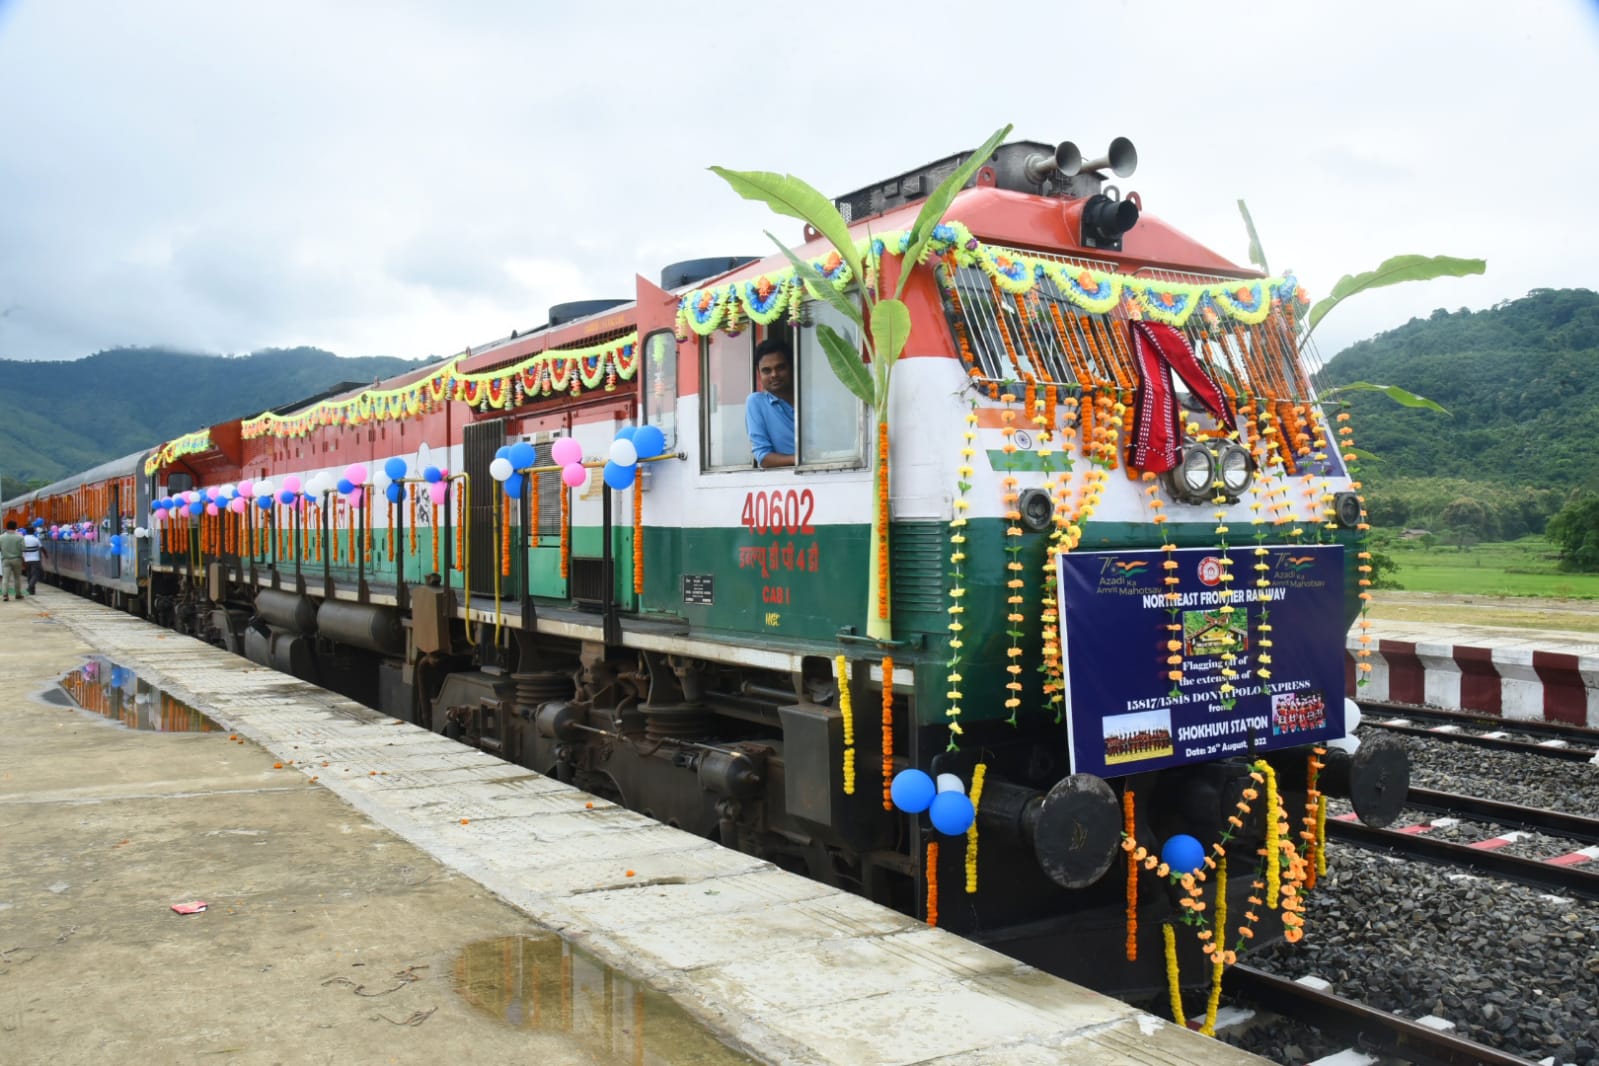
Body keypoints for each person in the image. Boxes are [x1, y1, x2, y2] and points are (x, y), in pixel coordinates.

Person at [746, 337, 796, 468]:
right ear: (759, 374)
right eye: (767, 370)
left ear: (792, 366)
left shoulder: (812, 398)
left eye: (780, 367)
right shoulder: (756, 403)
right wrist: (800, 459)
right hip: (788, 482)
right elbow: (763, 457)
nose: (774, 375)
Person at [0, 521, 24, 602]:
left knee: (5, 578)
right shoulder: (20, 537)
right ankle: (18, 594)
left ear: (6, 527)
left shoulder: (1, 537)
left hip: (6, 560)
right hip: (17, 559)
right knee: (17, 578)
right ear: (15, 527)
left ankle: (5, 595)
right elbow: (24, 548)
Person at [22, 522, 44, 595]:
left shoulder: (23, 539)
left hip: (26, 560)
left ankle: (32, 591)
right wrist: (46, 554)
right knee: (35, 575)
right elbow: (41, 548)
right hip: (35, 560)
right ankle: (30, 586)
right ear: (33, 532)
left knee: (29, 575)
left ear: (26, 531)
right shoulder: (35, 539)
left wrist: (22, 559)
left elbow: (21, 549)